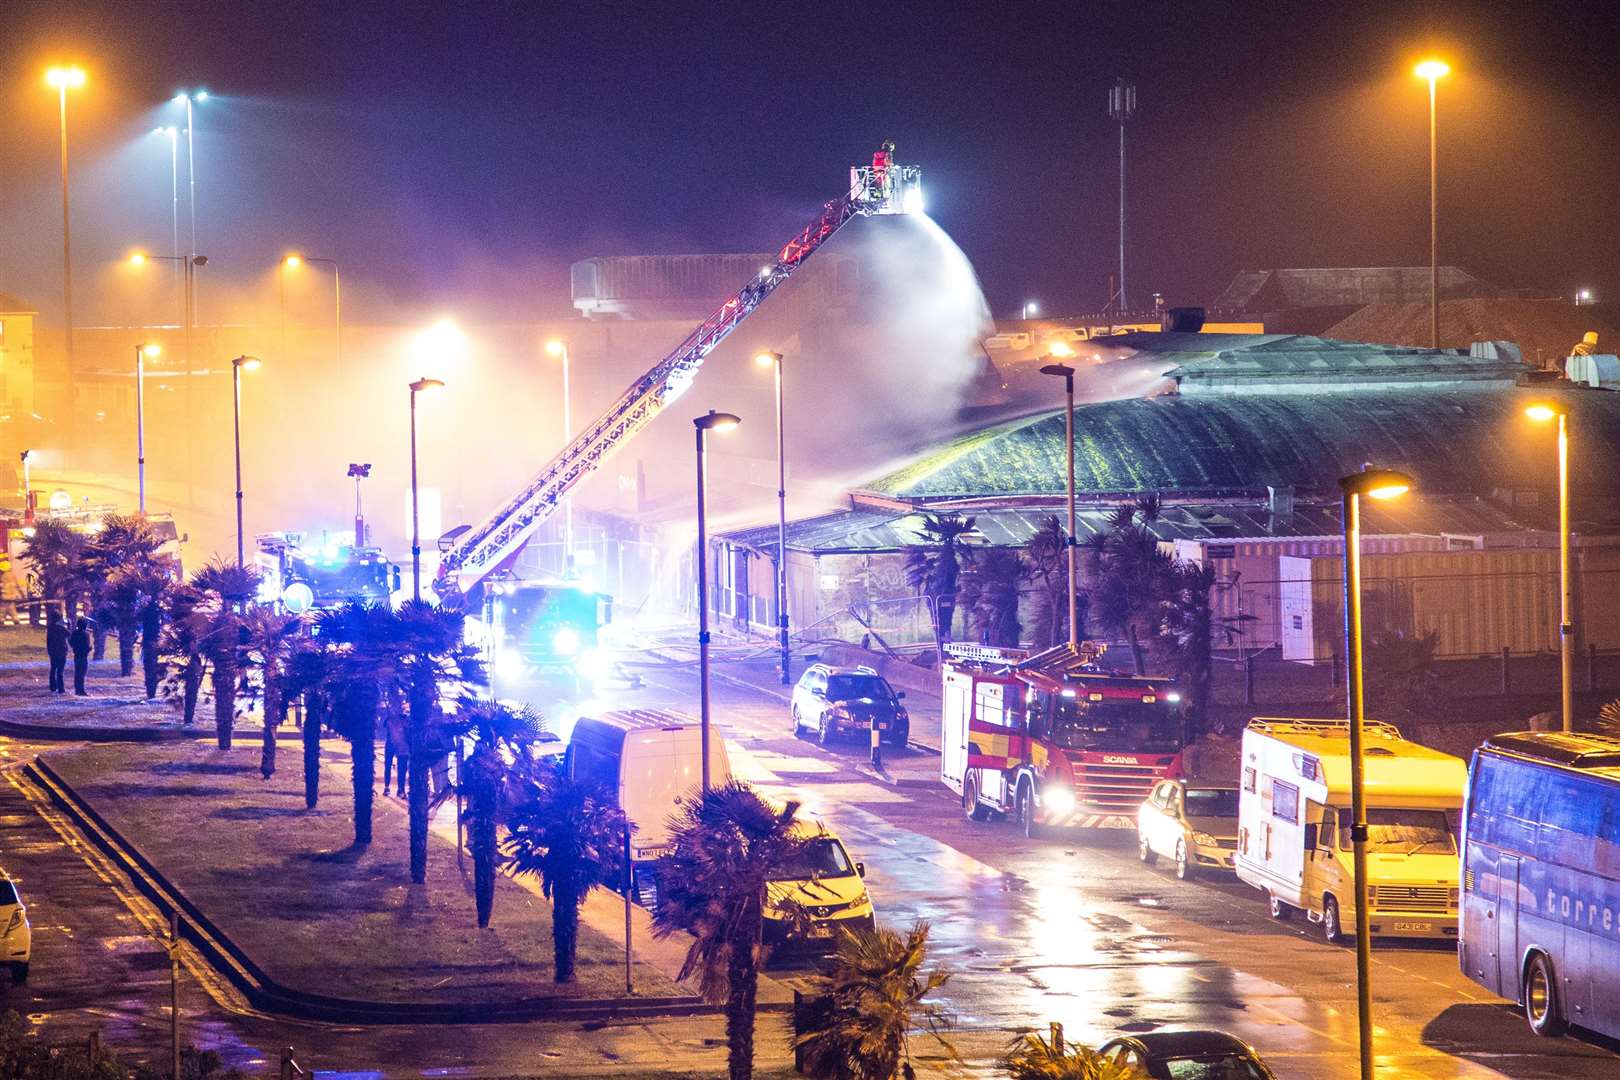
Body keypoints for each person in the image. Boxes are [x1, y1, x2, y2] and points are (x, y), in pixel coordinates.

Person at [45, 609, 69, 694]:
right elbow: (68, 634)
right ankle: (61, 688)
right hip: (62, 651)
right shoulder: (61, 628)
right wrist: (68, 626)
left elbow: (48, 641)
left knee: (53, 668)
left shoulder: (50, 628)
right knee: (60, 671)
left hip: (53, 651)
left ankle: (53, 686)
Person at [69, 616, 92, 696]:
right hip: (83, 656)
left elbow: (71, 642)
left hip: (77, 655)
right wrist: (89, 649)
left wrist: (75, 648)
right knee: (82, 673)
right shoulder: (86, 635)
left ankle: (77, 689)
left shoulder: (74, 633)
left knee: (77, 672)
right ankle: (81, 690)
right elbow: (86, 646)